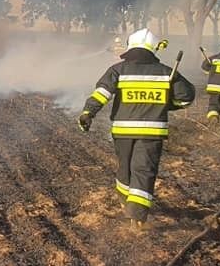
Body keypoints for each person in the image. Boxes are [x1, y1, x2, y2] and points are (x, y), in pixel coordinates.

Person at [78, 28, 195, 228]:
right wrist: (166, 104)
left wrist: (88, 113)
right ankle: (137, 216)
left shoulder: (118, 70)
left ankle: (127, 202)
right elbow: (186, 97)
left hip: (122, 131)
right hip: (152, 132)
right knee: (144, 170)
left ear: (130, 47)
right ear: (154, 48)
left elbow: (102, 94)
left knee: (125, 168)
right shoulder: (167, 72)